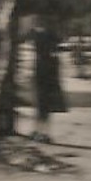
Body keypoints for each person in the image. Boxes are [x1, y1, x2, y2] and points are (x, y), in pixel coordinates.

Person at [30, 15, 69, 143]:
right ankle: (44, 132)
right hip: (48, 70)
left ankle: (39, 131)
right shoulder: (50, 34)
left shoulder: (36, 33)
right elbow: (57, 46)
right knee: (45, 105)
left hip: (40, 68)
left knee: (40, 103)